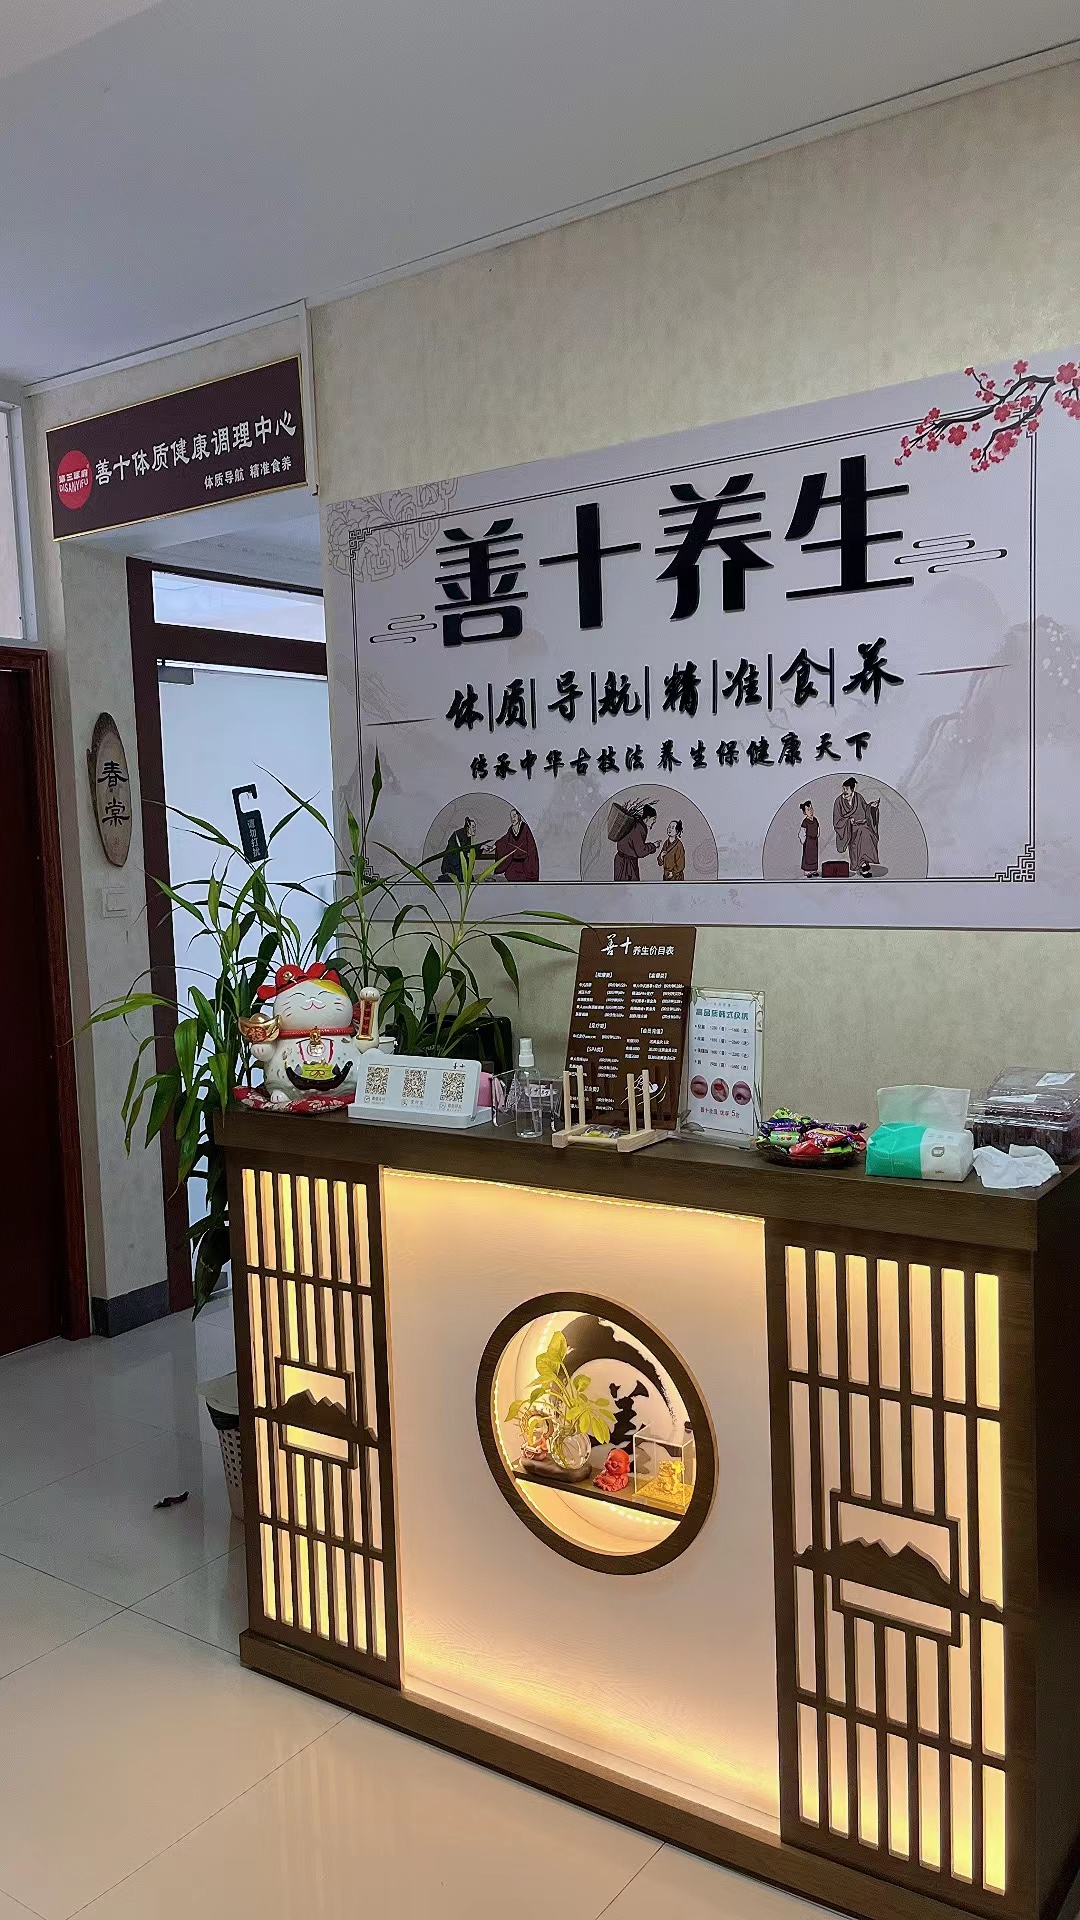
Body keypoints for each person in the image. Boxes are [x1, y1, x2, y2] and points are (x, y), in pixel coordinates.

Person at [832, 778, 880, 877]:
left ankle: (865, 862)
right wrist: (848, 820)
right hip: (848, 829)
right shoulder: (838, 801)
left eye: (846, 789)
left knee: (868, 834)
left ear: (852, 789)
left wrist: (872, 806)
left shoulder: (858, 797)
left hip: (862, 825)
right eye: (843, 789)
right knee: (858, 838)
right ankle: (862, 866)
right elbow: (837, 820)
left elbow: (866, 809)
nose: (844, 791)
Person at [487, 808, 540, 882]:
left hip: (525, 865)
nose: (512, 819)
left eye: (514, 816)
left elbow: (531, 847)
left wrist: (531, 865)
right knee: (510, 877)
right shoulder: (511, 829)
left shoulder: (526, 828)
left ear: (519, 816)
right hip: (513, 865)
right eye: (511, 817)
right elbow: (504, 840)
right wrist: (493, 846)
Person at [614, 803, 658, 881]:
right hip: (627, 865)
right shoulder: (639, 828)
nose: (654, 822)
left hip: (621, 861)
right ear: (648, 818)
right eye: (653, 819)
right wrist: (653, 846)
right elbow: (640, 851)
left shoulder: (635, 823)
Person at [439, 815, 475, 882]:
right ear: (468, 827)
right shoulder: (459, 834)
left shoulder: (468, 837)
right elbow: (457, 849)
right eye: (473, 827)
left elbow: (469, 849)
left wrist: (481, 847)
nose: (474, 829)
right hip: (453, 863)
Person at [799, 799, 819, 877]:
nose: (810, 811)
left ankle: (814, 870)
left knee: (814, 855)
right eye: (808, 810)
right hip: (808, 841)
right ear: (804, 812)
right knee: (808, 855)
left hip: (814, 841)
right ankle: (807, 871)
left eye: (811, 809)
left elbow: (817, 828)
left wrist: (817, 835)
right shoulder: (805, 822)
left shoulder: (815, 820)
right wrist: (804, 841)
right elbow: (802, 833)